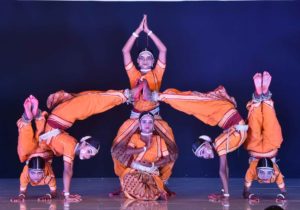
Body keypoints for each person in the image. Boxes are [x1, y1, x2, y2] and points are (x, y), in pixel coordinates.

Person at [111, 15, 177, 195]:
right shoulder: (134, 74)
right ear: (138, 61)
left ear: (153, 61)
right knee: (117, 147)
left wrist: (149, 32)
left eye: (149, 57)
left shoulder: (157, 74)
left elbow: (163, 50)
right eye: (143, 58)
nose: (146, 60)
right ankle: (123, 181)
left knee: (171, 148)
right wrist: (137, 32)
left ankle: (162, 183)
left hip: (155, 117)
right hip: (135, 117)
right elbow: (125, 52)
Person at [152, 85, 248, 205]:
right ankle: (162, 96)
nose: (205, 156)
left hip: (222, 112)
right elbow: (226, 169)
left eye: (203, 152)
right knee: (192, 109)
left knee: (193, 103)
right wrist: (224, 192)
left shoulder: (219, 144)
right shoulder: (221, 143)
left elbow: (222, 171)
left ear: (207, 144)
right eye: (202, 156)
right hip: (226, 117)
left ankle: (159, 96)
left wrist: (226, 196)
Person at [243, 71, 286, 203]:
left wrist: (249, 195)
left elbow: (245, 190)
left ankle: (258, 100)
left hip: (255, 148)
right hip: (271, 145)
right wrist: (282, 196)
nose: (266, 176)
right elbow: (283, 190)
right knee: (270, 122)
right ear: (273, 171)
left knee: (254, 126)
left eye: (263, 173)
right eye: (268, 173)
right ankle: (265, 98)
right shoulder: (276, 174)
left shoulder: (252, 171)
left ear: (257, 170)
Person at [119, 112, 175, 200]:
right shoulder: (135, 137)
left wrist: (151, 165)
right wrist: (145, 148)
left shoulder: (159, 140)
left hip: (151, 173)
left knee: (152, 188)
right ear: (140, 125)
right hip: (136, 172)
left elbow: (167, 158)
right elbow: (128, 151)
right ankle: (146, 193)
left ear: (153, 126)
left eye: (150, 122)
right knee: (130, 180)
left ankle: (152, 192)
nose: (147, 124)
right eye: (144, 122)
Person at [11, 95, 56, 202]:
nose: (36, 176)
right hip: (44, 152)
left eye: (38, 173)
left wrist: (21, 196)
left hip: (28, 154)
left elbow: (22, 191)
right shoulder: (49, 176)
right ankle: (37, 114)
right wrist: (50, 195)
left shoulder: (26, 173)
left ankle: (27, 119)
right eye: (34, 173)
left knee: (24, 141)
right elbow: (54, 192)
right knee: (43, 135)